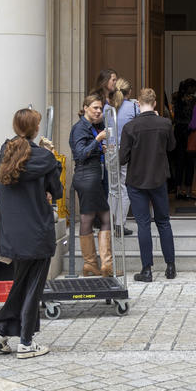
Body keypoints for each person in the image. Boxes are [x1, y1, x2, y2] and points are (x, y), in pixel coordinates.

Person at [0, 108, 63, 359]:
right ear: (35, 129)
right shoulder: (45, 158)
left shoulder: (4, 153)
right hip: (37, 230)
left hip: (12, 231)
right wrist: (49, 155)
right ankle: (27, 342)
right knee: (33, 286)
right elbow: (57, 191)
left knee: (21, 283)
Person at [120, 88, 177, 282]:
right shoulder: (165, 123)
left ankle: (147, 269)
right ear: (154, 103)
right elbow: (172, 147)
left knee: (143, 224)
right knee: (163, 222)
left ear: (138, 103)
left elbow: (122, 158)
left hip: (136, 180)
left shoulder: (130, 127)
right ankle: (170, 266)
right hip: (158, 178)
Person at [68, 95, 112, 277]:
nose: (98, 111)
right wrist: (98, 140)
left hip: (94, 176)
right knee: (101, 217)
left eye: (100, 109)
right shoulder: (79, 128)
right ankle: (102, 265)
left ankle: (93, 265)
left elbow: (88, 150)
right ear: (85, 108)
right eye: (94, 108)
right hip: (87, 177)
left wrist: (99, 148)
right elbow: (79, 154)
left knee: (91, 218)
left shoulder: (93, 126)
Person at [112, 78, 138, 237]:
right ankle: (119, 225)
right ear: (129, 92)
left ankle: (109, 222)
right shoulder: (133, 107)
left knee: (113, 188)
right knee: (124, 187)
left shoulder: (108, 107)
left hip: (109, 149)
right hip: (125, 151)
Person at [171, 78, 196, 200]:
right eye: (194, 87)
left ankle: (178, 190)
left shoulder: (175, 97)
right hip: (189, 131)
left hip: (177, 131)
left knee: (179, 161)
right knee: (190, 162)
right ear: (190, 87)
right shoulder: (194, 100)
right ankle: (188, 191)